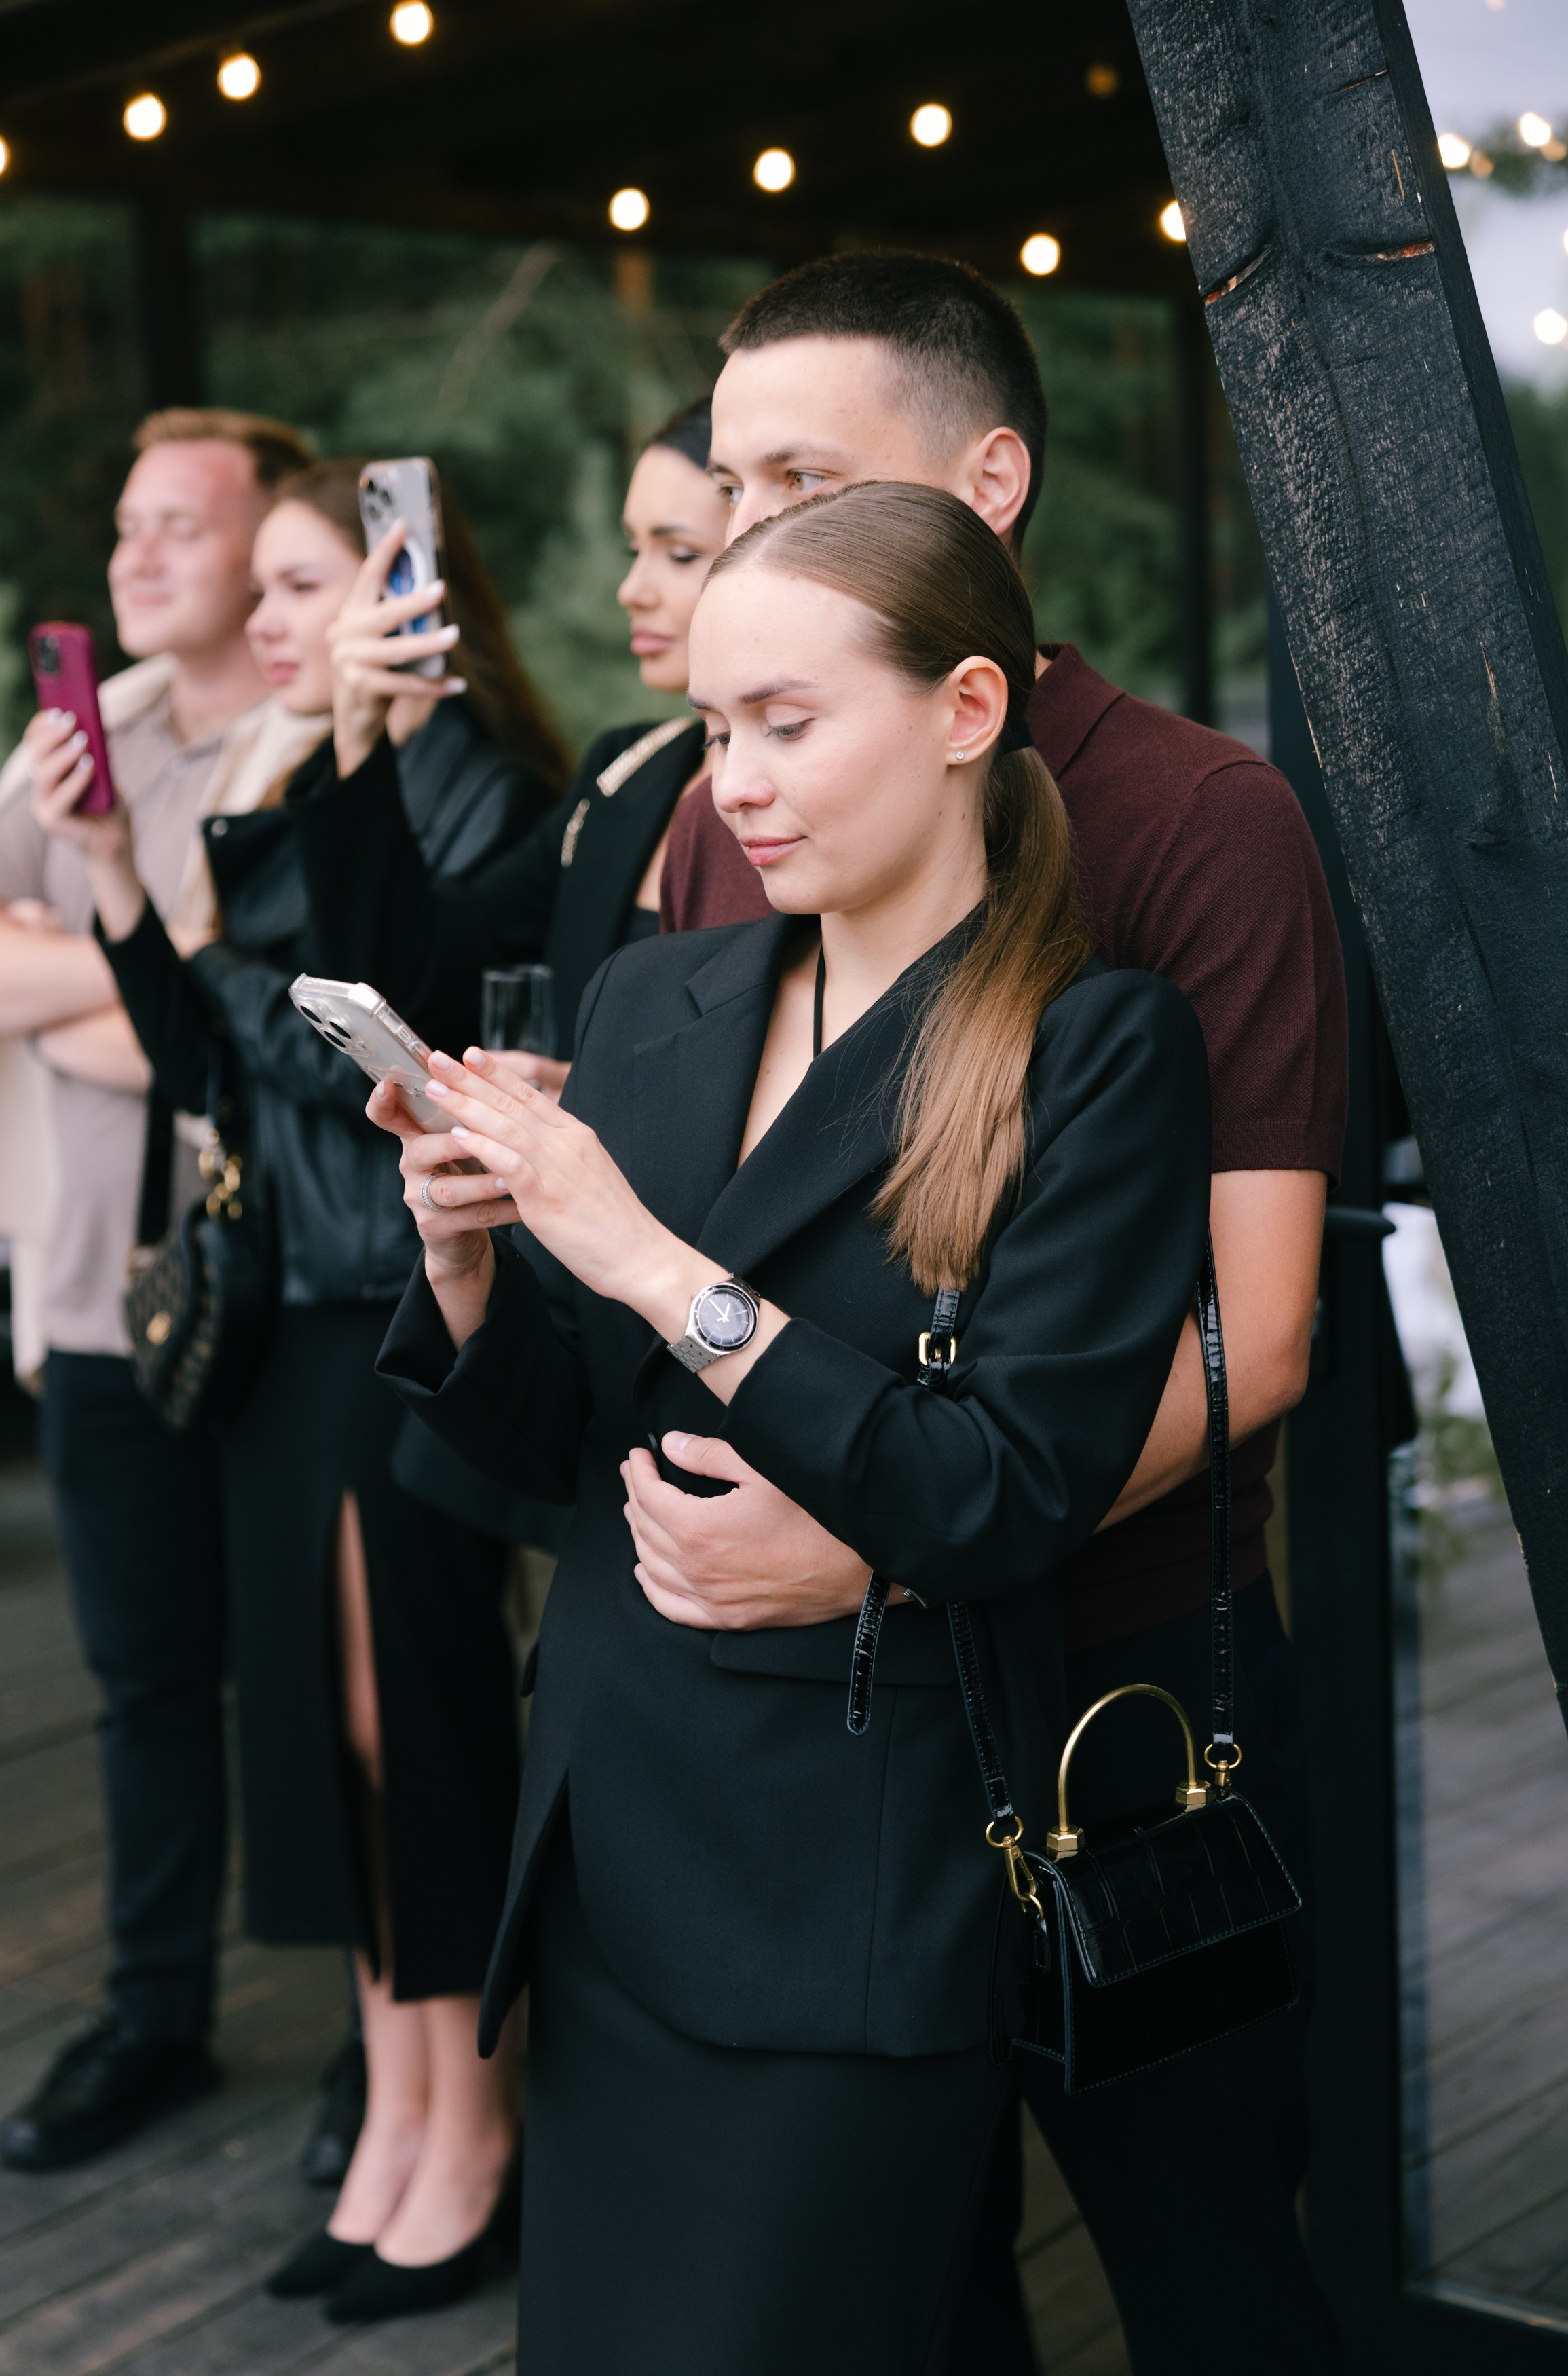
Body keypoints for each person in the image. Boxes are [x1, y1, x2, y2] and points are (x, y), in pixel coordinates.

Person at [371, 481, 1212, 2375]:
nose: (732, 778)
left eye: (787, 722)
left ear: (965, 710)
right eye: (720, 725)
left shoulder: (1092, 1048)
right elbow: (564, 1456)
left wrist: (659, 1264)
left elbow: (997, 1496)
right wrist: (471, 1274)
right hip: (606, 1853)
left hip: (848, 1881)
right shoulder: (659, 992)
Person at [646, 252, 1347, 2371]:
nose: (743, 520)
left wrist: (879, 1526)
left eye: (801, 473)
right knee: (895, 2297)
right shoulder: (716, 809)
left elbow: (1265, 1329)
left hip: (1104, 1694)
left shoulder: (1197, 816)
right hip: (804, 1740)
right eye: (727, 471)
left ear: (991, 477)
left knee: (1210, 2265)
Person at [26, 457, 560, 2322]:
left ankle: (472, 2131)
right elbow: (209, 1056)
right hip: (285, 1319)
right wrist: (109, 871)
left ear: (405, 586)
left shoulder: (486, 780)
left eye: (302, 579)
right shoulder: (291, 770)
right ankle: (405, 2109)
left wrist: (287, 866)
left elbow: (381, 1043)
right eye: (257, 586)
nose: (266, 618)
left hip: (392, 1301)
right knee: (335, 1743)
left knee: (412, 1720)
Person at [0, 407, 321, 2174]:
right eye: (128, 526)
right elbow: (187, 1020)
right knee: (138, 1679)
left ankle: (386, 2030)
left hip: (275, 1288)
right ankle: (152, 2013)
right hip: (90, 1284)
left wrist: (146, 1001)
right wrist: (150, 996)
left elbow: (255, 1038)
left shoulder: (303, 748)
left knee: (301, 1660)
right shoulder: (72, 739)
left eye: (179, 528)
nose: (135, 556)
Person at [286, 396, 728, 1076]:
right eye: (632, 549)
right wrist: (358, 733)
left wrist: (580, 1099)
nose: (631, 588)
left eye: (679, 552)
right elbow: (416, 980)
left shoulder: (803, 794)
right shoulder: (626, 770)